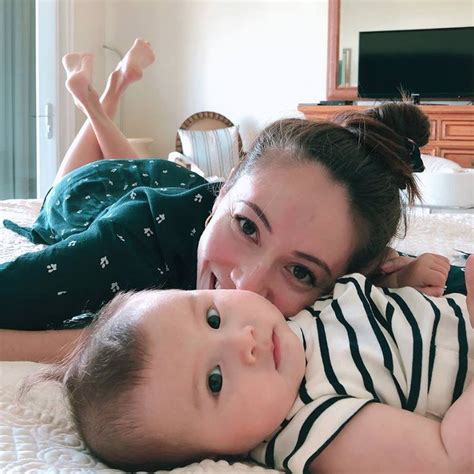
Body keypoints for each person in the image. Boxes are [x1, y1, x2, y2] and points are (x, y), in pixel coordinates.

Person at [0, 39, 458, 359]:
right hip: (97, 195)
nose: (244, 285)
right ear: (225, 188)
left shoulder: (349, 252)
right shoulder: (129, 243)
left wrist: (397, 279)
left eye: (301, 271)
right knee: (61, 188)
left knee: (150, 179)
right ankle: (96, 99)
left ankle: (111, 91)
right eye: (248, 227)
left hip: (168, 180)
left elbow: (441, 275)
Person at [27, 256, 474, 472]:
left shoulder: (294, 320)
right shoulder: (311, 424)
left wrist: (400, 281)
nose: (245, 340)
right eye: (216, 381)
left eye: (214, 316)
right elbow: (450, 457)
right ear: (218, 452)